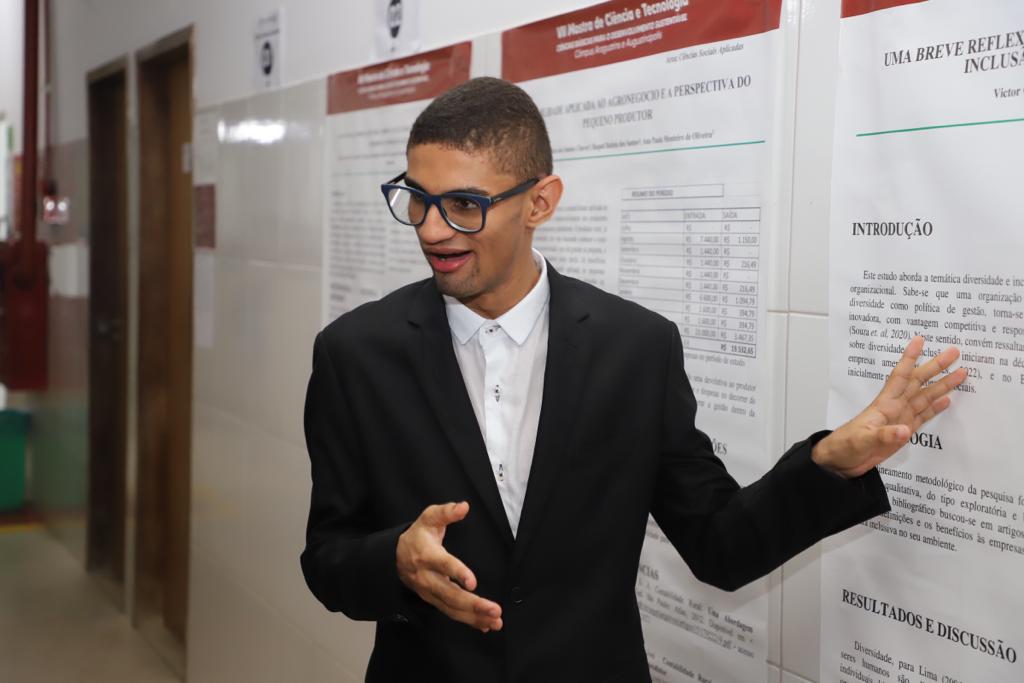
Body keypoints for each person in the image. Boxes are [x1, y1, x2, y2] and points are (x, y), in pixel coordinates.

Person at [301, 77, 966, 682]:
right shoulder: (355, 353)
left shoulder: (636, 348)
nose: (433, 229)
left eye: (464, 204)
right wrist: (394, 559)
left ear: (540, 202)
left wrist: (829, 463)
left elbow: (720, 544)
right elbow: (327, 558)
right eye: (417, 200)